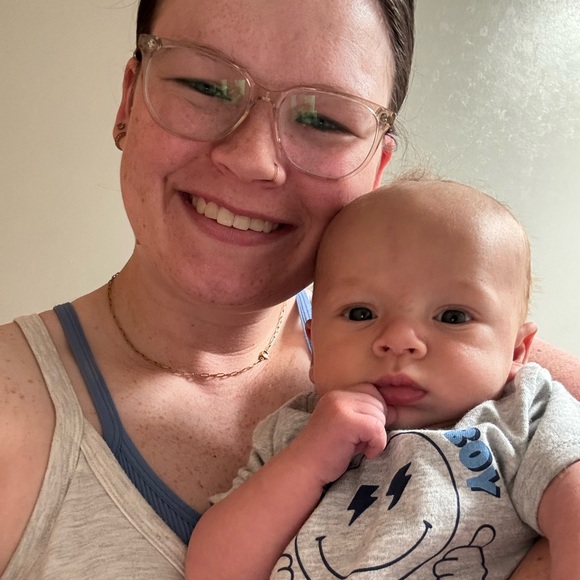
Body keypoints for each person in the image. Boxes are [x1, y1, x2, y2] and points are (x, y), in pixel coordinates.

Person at [0, 0, 577, 578]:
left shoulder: (511, 389)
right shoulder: (298, 431)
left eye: (325, 121)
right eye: (204, 86)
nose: (252, 159)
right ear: (129, 100)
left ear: (376, 168)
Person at [186, 179, 580, 579]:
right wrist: (307, 463)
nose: (398, 340)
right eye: (361, 313)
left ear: (516, 352)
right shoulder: (295, 433)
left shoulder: (526, 416)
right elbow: (213, 571)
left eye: (453, 317)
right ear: (315, 343)